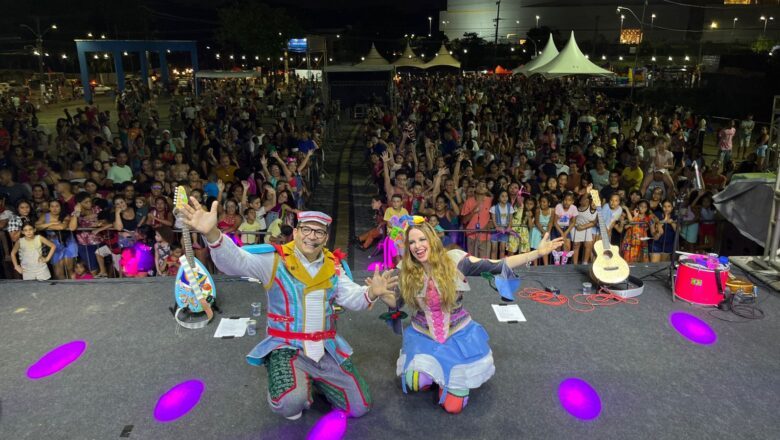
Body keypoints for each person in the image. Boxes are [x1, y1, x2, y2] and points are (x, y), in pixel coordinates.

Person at [180, 204, 397, 420]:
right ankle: (291, 381)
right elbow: (236, 261)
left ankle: (317, 382)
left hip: (325, 348)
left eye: (319, 231)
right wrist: (212, 233)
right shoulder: (274, 260)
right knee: (289, 404)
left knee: (359, 407)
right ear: (295, 231)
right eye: (306, 229)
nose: (312, 236)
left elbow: (353, 297)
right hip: (287, 347)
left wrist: (371, 292)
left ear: (325, 237)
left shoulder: (334, 266)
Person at [395, 220, 563, 414]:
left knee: (452, 407)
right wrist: (376, 293)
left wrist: (537, 253)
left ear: (432, 239)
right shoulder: (405, 270)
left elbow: (497, 264)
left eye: (422, 239)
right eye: (412, 242)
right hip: (423, 336)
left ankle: (450, 381)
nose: (418, 246)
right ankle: (433, 374)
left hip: (457, 335)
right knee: (414, 383)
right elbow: (396, 303)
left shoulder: (455, 261)